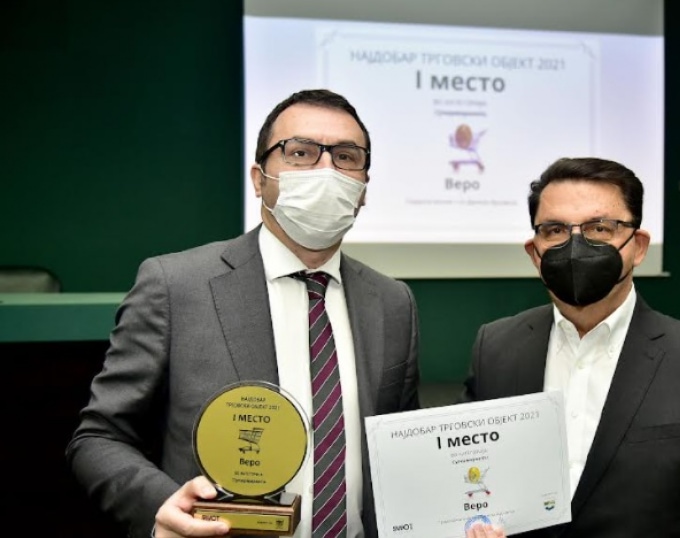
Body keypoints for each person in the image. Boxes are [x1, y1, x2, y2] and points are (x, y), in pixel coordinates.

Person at [66, 89, 421, 538]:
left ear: (364, 188)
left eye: (346, 157)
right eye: (301, 153)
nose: (326, 170)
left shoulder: (393, 302)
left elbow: (400, 452)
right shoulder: (175, 285)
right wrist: (161, 505)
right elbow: (98, 437)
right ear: (259, 179)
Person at [461, 157, 680, 537]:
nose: (576, 246)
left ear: (638, 246)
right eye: (555, 230)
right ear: (534, 252)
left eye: (600, 228)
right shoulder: (495, 348)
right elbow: (466, 480)